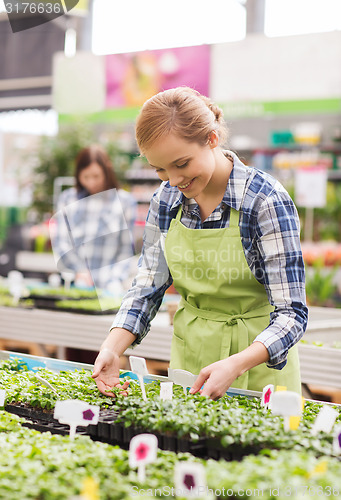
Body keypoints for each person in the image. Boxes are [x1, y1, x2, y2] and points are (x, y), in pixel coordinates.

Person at [92, 87, 308, 400]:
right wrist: (112, 347)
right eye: (160, 169)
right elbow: (147, 287)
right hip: (190, 362)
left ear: (211, 139)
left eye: (181, 164)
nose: (173, 180)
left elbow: (293, 314)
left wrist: (237, 363)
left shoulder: (264, 202)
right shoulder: (165, 201)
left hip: (259, 369)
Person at [51, 144, 137, 295]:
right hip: (76, 284)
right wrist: (79, 270)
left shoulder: (125, 201)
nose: (91, 182)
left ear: (107, 172)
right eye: (86, 177)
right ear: (78, 175)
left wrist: (114, 279)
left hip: (111, 286)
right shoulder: (68, 199)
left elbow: (125, 248)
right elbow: (61, 241)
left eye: (96, 176)